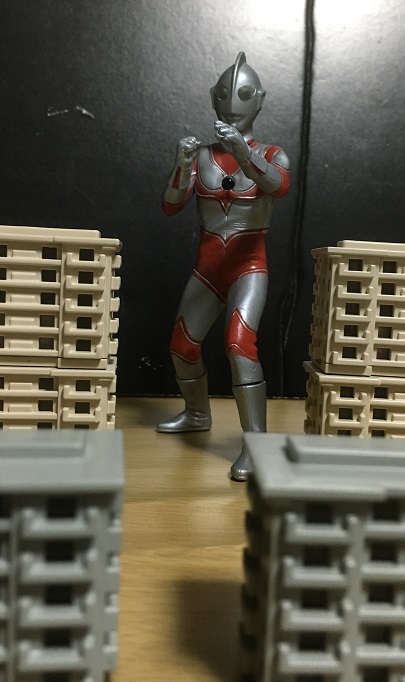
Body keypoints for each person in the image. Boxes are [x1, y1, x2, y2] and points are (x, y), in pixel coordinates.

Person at [157, 52, 290, 481]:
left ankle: (256, 445)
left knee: (239, 345)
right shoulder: (201, 156)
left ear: (259, 100)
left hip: (248, 267)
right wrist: (181, 166)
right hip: (209, 268)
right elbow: (171, 206)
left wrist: (244, 156)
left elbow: (278, 186)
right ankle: (197, 413)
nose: (233, 103)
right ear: (213, 98)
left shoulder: (272, 154)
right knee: (182, 346)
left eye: (244, 94)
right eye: (225, 94)